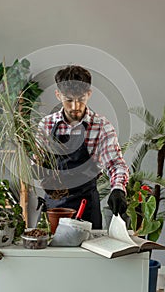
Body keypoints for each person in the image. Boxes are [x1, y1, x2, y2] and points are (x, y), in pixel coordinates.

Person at [37, 65, 129, 229]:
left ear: (89, 94)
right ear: (58, 95)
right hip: (53, 207)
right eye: (69, 100)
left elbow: (115, 164)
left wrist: (118, 189)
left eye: (80, 99)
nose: (75, 107)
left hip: (86, 207)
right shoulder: (47, 124)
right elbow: (38, 161)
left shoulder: (101, 126)